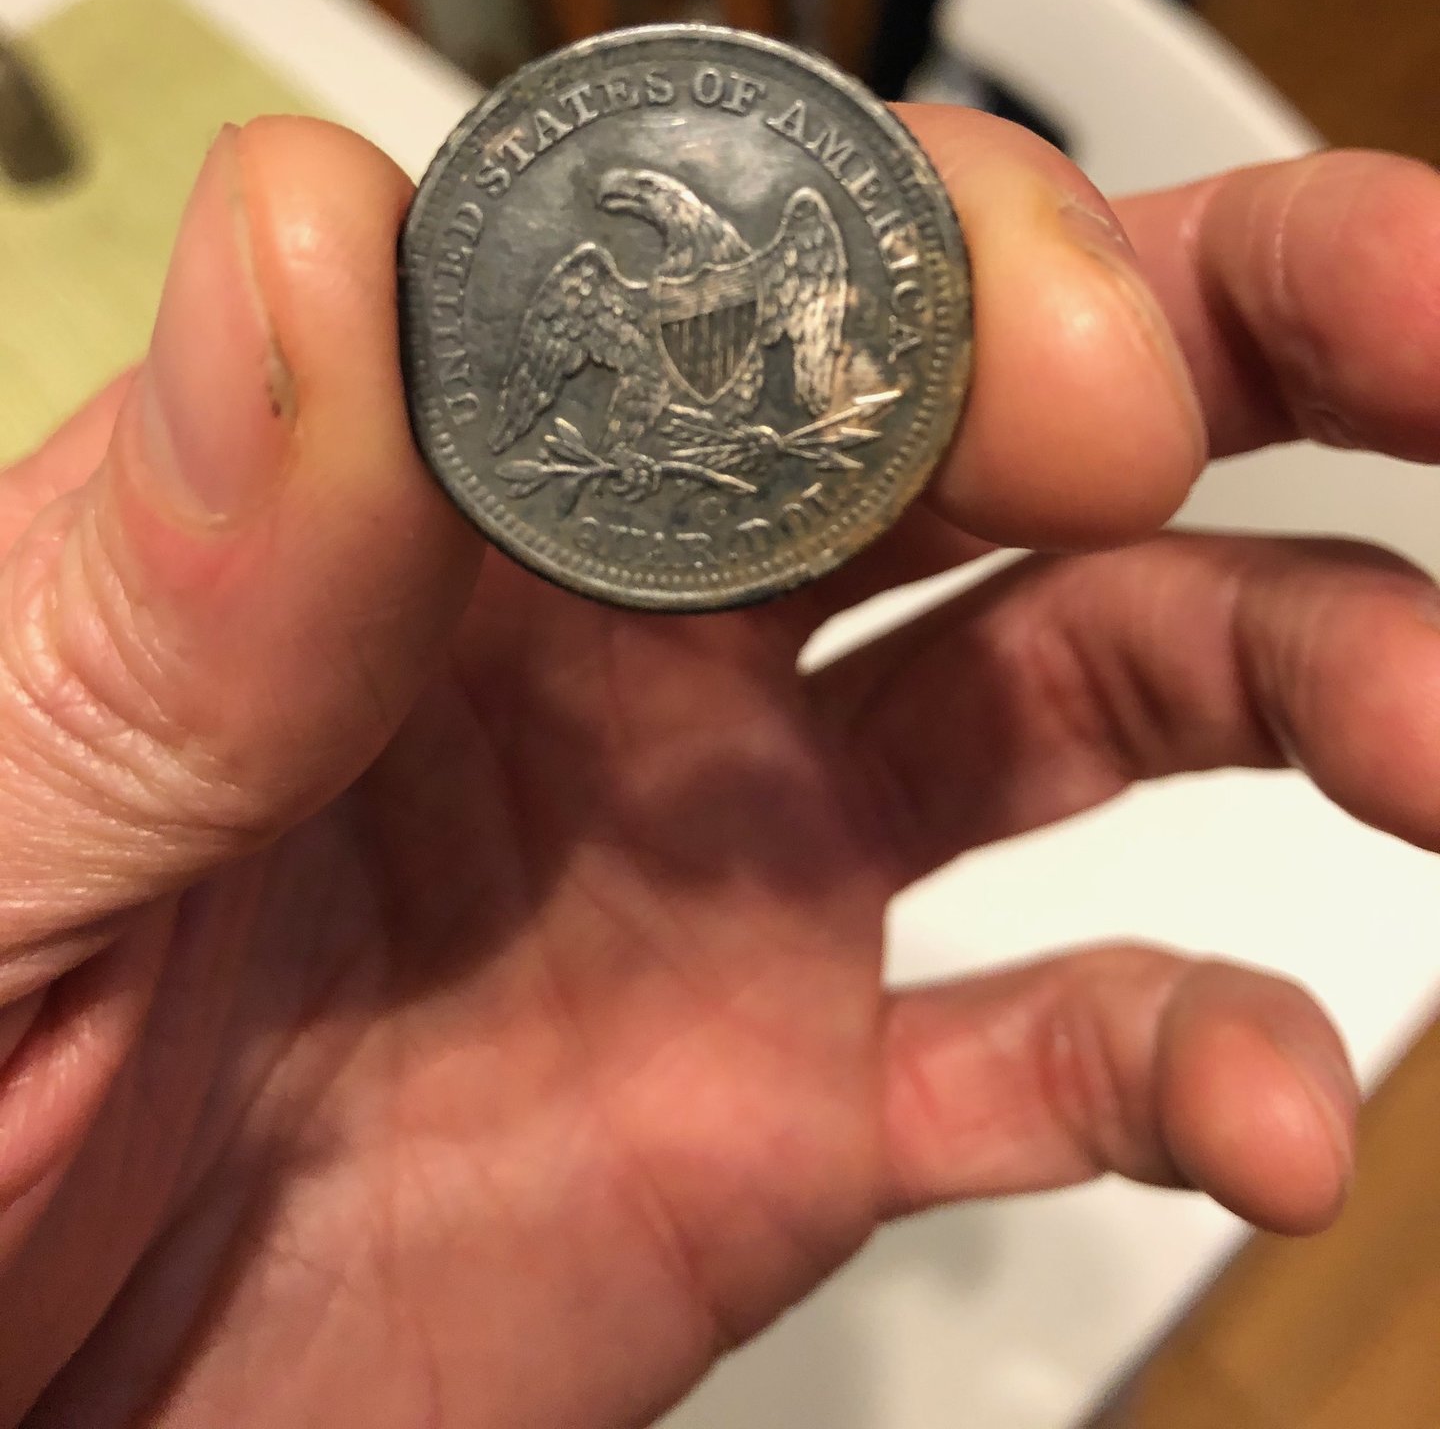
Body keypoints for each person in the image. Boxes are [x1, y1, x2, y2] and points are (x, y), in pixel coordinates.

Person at [2, 109, 1437, 1425]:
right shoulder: (602, 299)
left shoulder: (775, 259)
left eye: (665, 206)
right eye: (643, 204)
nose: (645, 214)